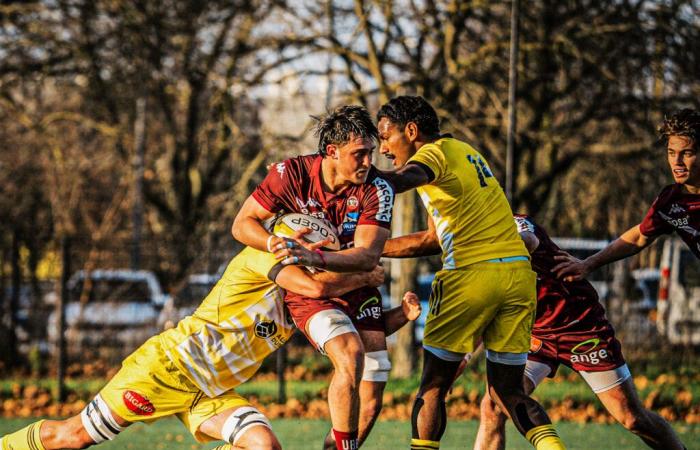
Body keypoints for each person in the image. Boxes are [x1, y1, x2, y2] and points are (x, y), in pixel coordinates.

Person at [0, 240, 395, 450]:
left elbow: (344, 330)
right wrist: (364, 275)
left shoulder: (301, 302)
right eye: (314, 247)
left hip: (210, 392)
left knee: (262, 446)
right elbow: (314, 283)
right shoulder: (261, 258)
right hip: (166, 370)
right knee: (71, 438)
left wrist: (399, 317)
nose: (320, 256)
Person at [376, 95, 565, 450]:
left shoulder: (430, 155)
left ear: (412, 131)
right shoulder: (464, 152)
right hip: (517, 277)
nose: (383, 147)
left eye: (386, 136)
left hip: (470, 276)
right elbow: (433, 238)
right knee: (507, 392)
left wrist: (356, 176)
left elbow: (400, 179)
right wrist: (372, 250)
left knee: (433, 386)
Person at [232, 105, 395, 450]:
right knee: (350, 355)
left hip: (357, 287)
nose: (368, 162)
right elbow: (242, 224)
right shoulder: (289, 174)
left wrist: (316, 255)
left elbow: (367, 256)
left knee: (371, 391)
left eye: (371, 153)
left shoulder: (377, 188)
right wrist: (277, 242)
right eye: (360, 154)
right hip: (311, 292)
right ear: (332, 151)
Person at [474, 215, 686, 450]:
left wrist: (488, 248)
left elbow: (528, 240)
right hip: (534, 334)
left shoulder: (514, 223)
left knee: (632, 418)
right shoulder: (466, 243)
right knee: (494, 405)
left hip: (579, 328)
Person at [554, 108, 700, 282]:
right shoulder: (670, 202)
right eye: (671, 153)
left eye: (687, 153)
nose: (677, 162)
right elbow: (639, 236)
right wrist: (588, 264)